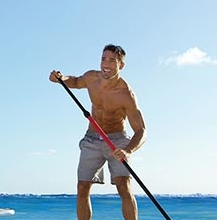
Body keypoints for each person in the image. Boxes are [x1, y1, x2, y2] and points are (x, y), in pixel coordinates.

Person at [49, 44, 146, 220]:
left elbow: (141, 131)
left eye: (112, 60)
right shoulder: (91, 78)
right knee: (82, 187)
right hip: (92, 139)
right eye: (103, 59)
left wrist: (127, 150)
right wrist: (61, 78)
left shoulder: (126, 94)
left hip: (117, 141)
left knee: (123, 185)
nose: (106, 64)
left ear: (121, 65)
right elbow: (76, 81)